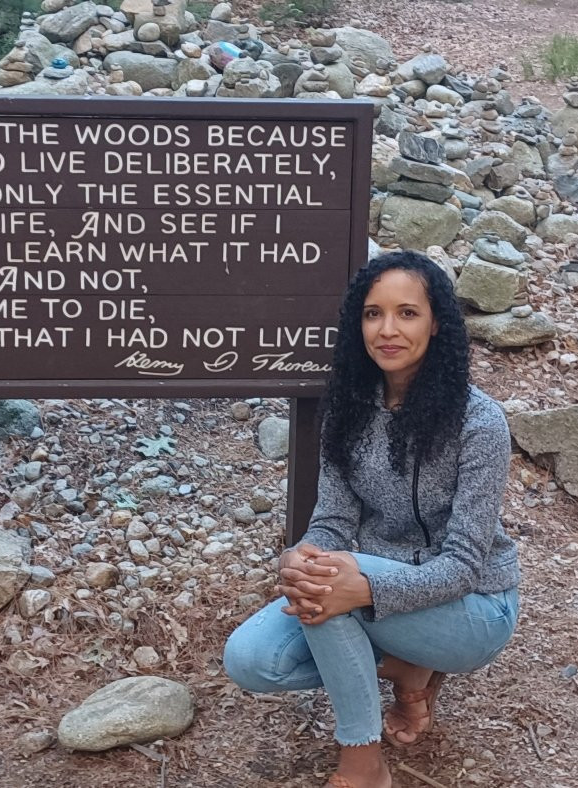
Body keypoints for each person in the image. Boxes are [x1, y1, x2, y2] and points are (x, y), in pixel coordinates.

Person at [223, 250, 521, 788]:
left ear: (436, 325)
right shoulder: (349, 407)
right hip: (371, 586)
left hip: (472, 611)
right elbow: (332, 522)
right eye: (372, 313)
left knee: (333, 582)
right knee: (250, 660)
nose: (387, 329)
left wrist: (355, 586)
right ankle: (404, 668)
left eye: (407, 313)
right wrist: (302, 554)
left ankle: (362, 761)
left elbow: (461, 566)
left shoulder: (481, 423)